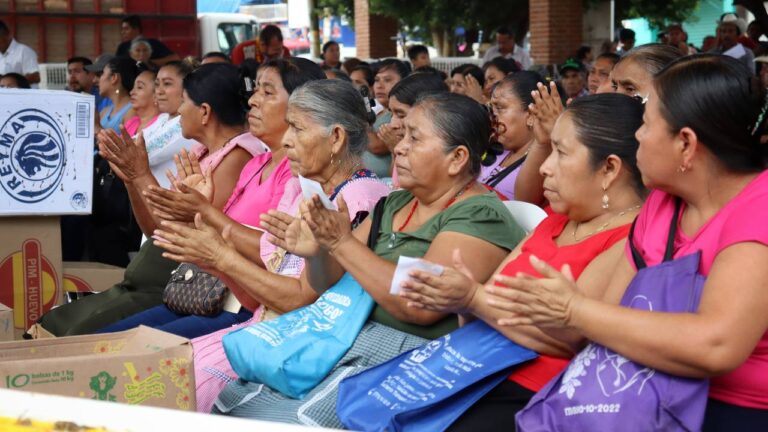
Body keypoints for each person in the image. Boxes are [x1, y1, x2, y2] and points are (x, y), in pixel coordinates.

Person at [213, 92, 526, 426]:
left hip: (403, 360)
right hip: (344, 338)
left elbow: (418, 305)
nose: (400, 146)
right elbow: (324, 285)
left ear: (457, 158)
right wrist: (318, 252)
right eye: (403, 135)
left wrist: (341, 243)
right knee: (235, 405)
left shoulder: (478, 213)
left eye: (415, 138)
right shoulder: (394, 204)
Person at [495, 54, 768, 431]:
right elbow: (605, 319)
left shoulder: (758, 210)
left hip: (729, 409)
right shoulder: (661, 203)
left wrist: (574, 310)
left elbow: (716, 346)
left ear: (685, 144)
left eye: (647, 124)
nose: (636, 135)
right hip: (642, 387)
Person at [399, 93, 647, 431]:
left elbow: (569, 337)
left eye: (560, 153)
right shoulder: (555, 220)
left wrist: (473, 298)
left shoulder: (630, 238)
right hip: (478, 367)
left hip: (537, 396)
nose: (544, 166)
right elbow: (489, 302)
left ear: (609, 168)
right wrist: (463, 302)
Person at [155, 79, 391, 412]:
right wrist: (206, 249)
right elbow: (259, 302)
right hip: (261, 334)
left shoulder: (360, 201)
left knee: (165, 390)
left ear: (335, 138)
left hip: (291, 351)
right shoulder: (305, 193)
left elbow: (304, 304)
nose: (286, 141)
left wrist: (221, 255)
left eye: (297, 129)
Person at [92, 59, 326, 340]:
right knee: (103, 340)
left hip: (241, 306)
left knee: (121, 351)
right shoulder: (258, 163)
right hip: (209, 293)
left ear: (302, 106)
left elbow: (277, 252)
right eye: (256, 91)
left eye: (267, 92)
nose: (252, 101)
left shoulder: (288, 170)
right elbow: (164, 232)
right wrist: (135, 178)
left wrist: (199, 211)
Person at [36, 62, 259, 336]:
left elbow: (180, 231)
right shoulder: (203, 152)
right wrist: (132, 179)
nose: (178, 111)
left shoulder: (237, 156)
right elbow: (156, 231)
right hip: (167, 276)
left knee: (85, 337)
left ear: (204, 112)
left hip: (195, 288)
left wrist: (140, 174)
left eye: (184, 102)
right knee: (56, 323)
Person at [515, 43, 682, 206]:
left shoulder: (663, 167)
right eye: (615, 86)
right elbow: (525, 203)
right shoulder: (608, 133)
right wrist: (545, 141)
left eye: (630, 88)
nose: (615, 96)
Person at [480, 71, 551, 200]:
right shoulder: (497, 150)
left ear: (531, 115)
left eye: (500, 108)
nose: (492, 116)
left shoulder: (543, 162)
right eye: (491, 108)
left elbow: (524, 204)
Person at [376, 73, 450, 167]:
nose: (393, 124)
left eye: (401, 115)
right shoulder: (400, 142)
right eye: (391, 114)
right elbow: (395, 179)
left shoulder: (441, 151)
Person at [365, 58, 409, 178]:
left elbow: (377, 146)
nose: (379, 85)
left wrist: (360, 119)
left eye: (387, 80)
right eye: (376, 80)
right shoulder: (379, 112)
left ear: (404, 82)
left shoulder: (402, 118)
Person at [97, 56, 138, 134]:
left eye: (102, 74)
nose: (97, 80)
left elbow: (126, 144)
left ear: (114, 78)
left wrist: (96, 127)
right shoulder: (104, 111)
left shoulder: (133, 111)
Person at [124, 63, 160, 137]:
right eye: (133, 87)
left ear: (156, 95)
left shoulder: (160, 124)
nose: (131, 92)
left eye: (139, 87)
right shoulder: (132, 122)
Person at [0, 20, 39, 86]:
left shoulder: (24, 51)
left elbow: (35, 77)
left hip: (23, 95)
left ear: (7, 35)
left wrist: (10, 81)